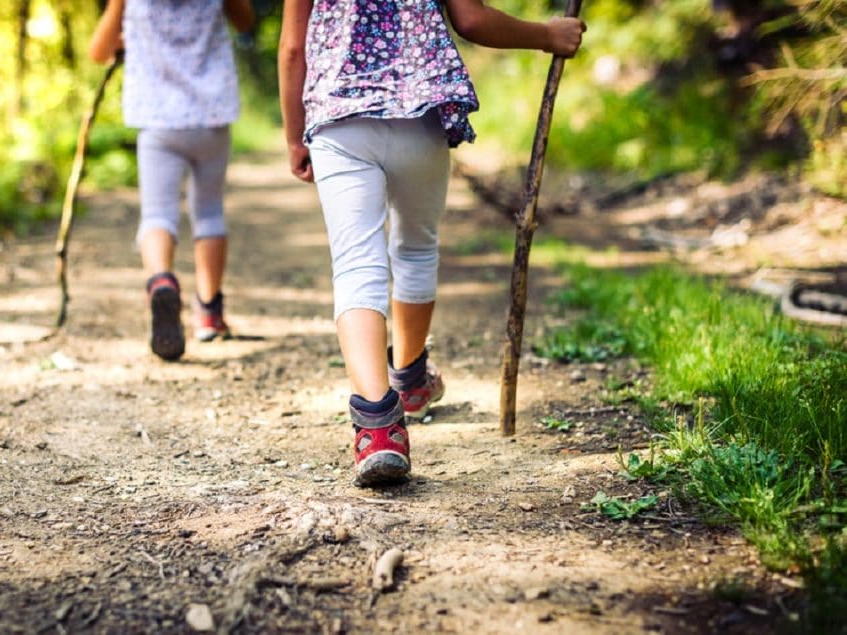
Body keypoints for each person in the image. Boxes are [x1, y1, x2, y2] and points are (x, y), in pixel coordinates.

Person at [278, 0, 584, 486]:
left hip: (339, 119)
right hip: (417, 115)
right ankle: (411, 378)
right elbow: (472, 19)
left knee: (357, 264)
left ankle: (378, 427)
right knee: (416, 247)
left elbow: (294, 48)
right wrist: (547, 35)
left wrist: (295, 136)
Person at [89, 0, 255, 360]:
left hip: (157, 119)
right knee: (209, 212)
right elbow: (245, 22)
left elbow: (98, 51)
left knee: (157, 215)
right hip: (211, 116)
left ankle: (161, 280)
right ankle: (210, 313)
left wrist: (126, 33)